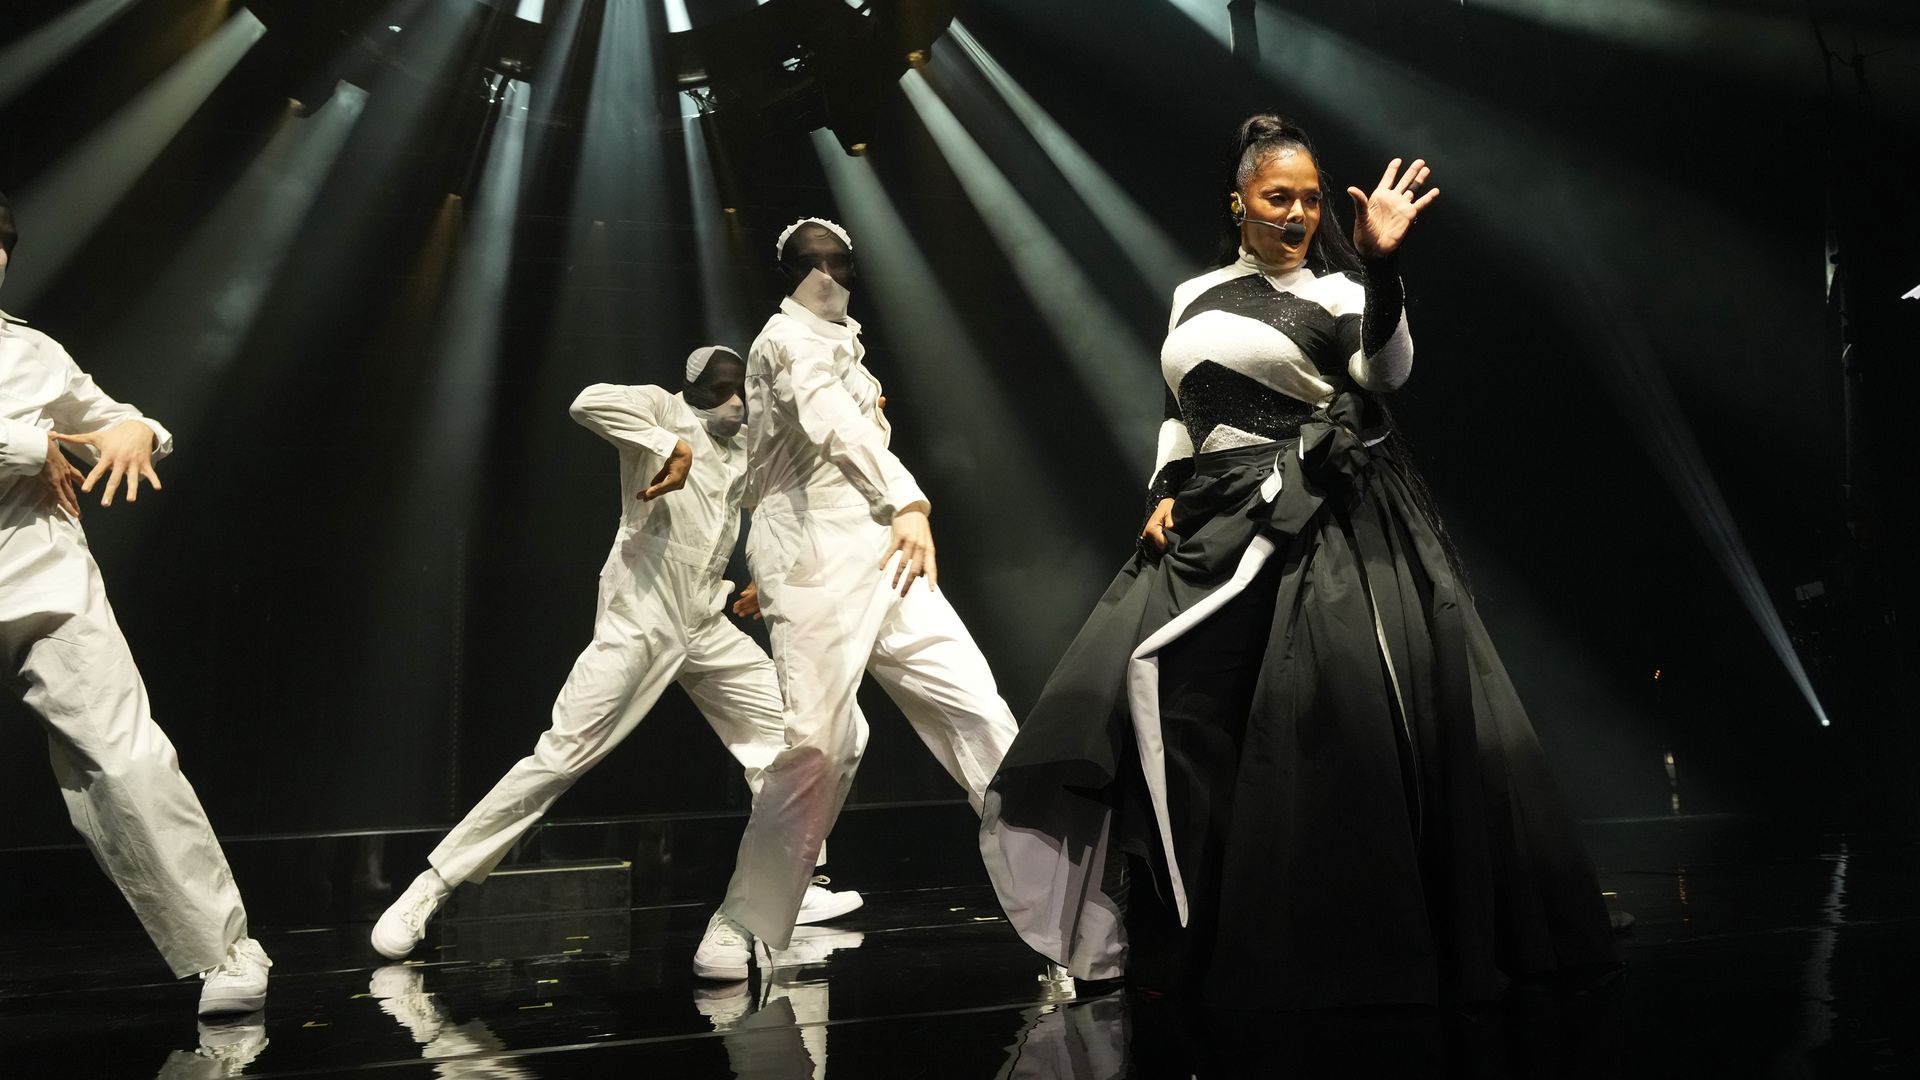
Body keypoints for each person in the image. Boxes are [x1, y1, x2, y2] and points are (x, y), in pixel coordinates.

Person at [979, 115, 1620, 1008]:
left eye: (1311, 200)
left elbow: (1387, 374)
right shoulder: (1193, 294)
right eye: (1280, 197)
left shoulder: (1337, 292)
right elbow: (1177, 402)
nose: (1298, 213)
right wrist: (1166, 484)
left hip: (1319, 517)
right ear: (1238, 202)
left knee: (1331, 722)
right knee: (1172, 701)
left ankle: (1352, 919)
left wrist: (1383, 263)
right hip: (1212, 515)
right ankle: (1201, 917)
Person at [370, 347, 861, 972]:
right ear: (693, 388)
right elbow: (588, 402)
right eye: (724, 388)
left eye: (744, 390)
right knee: (561, 754)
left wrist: (770, 575)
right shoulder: (659, 410)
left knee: (794, 740)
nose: (738, 400)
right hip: (642, 616)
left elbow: (791, 500)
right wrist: (667, 445)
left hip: (704, 620)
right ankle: (431, 887)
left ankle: (796, 886)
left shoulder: (743, 447)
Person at [695, 219, 1020, 978]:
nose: (827, 273)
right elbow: (827, 427)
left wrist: (889, 511)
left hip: (880, 550)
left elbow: (828, 446)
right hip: (818, 561)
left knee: (977, 707)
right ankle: (743, 921)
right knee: (821, 744)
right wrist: (905, 500)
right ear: (785, 271)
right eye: (810, 262)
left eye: (837, 259)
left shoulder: (850, 351)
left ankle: (1067, 907)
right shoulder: (785, 341)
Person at [0, 189, 270, 1015]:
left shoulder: (33, 352)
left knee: (128, 755)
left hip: (43, 572)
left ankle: (224, 950)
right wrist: (32, 445)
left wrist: (139, 430)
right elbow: (39, 442)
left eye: (2, 240)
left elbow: (117, 421)